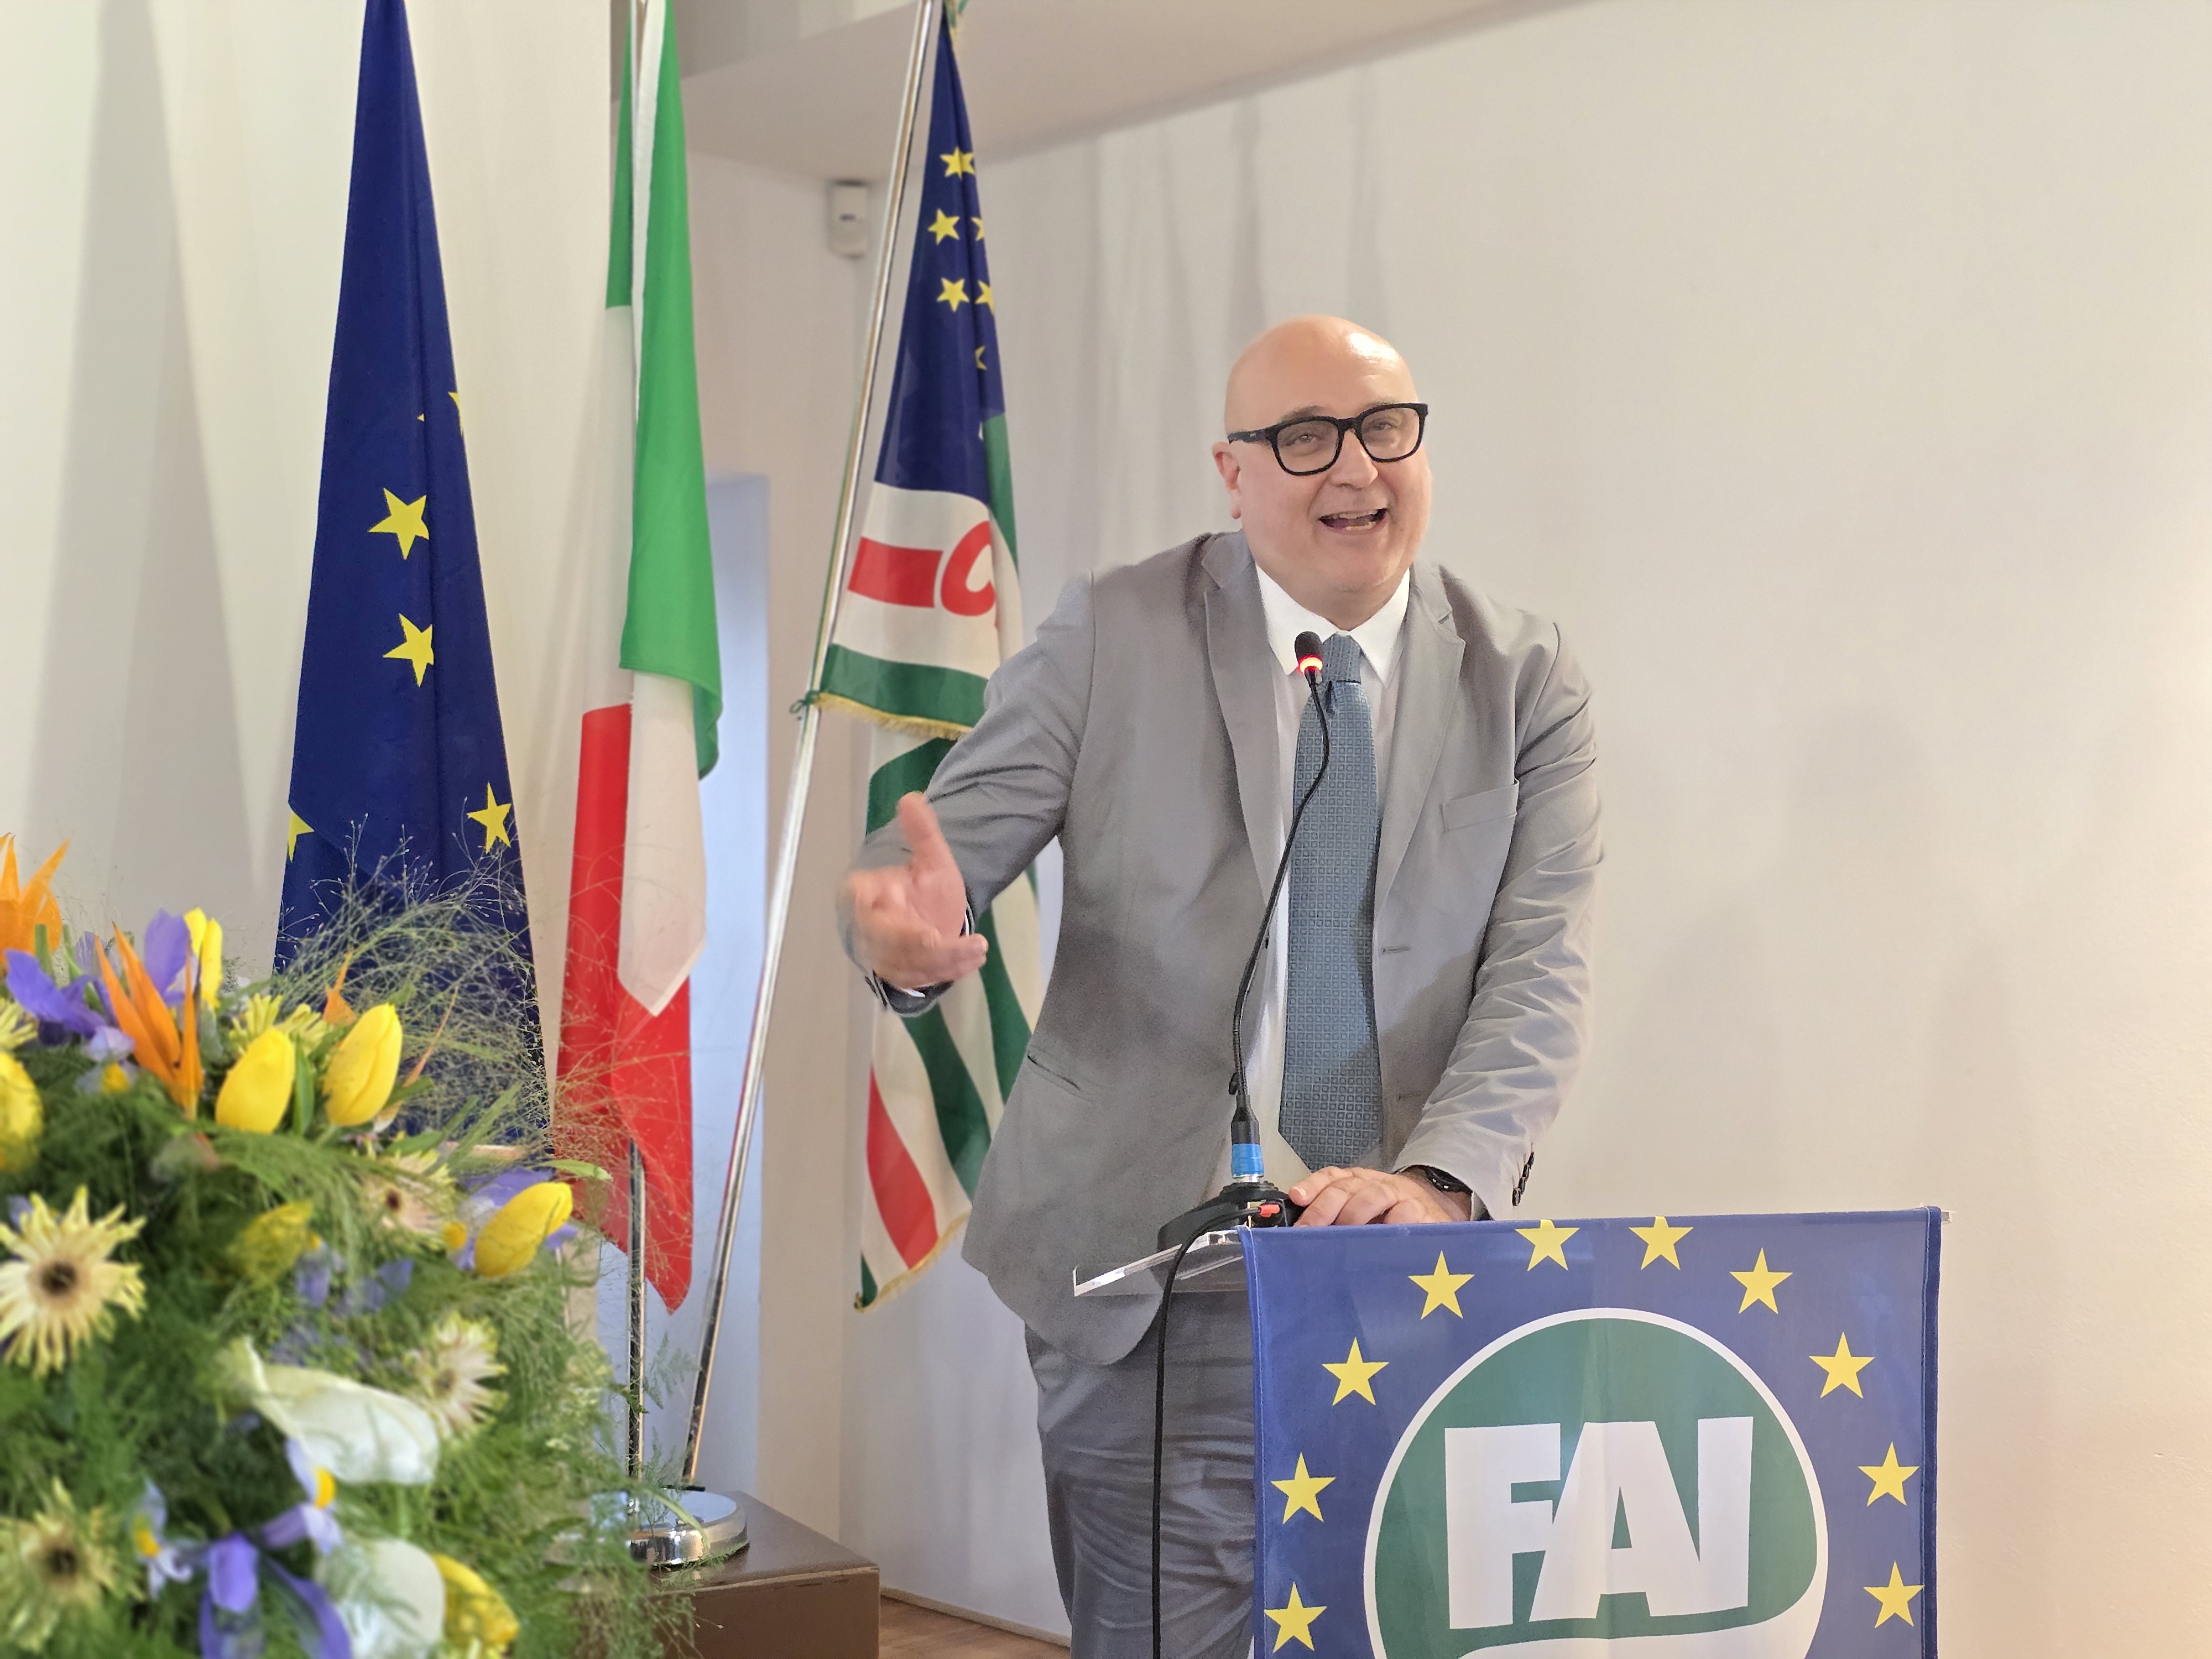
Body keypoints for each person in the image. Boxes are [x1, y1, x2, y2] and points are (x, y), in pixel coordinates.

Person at [839, 315, 1600, 1657]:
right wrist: (897, 937)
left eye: (1383, 428)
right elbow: (932, 870)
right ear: (1231, 471)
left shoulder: (1523, 677)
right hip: (1154, 1274)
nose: (1352, 467)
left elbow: (1538, 974)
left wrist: (1436, 1183)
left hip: (1399, 1271)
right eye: (1301, 438)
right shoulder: (1113, 630)